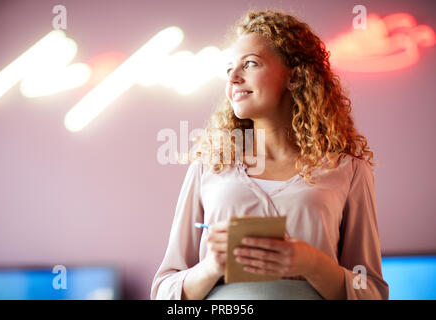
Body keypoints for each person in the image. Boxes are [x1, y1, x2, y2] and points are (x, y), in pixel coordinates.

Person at [150, 9, 389, 300]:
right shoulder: (206, 169)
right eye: (229, 70)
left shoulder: (349, 171)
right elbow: (164, 292)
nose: (234, 78)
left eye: (250, 64)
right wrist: (211, 267)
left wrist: (312, 264)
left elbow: (372, 291)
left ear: (295, 77)